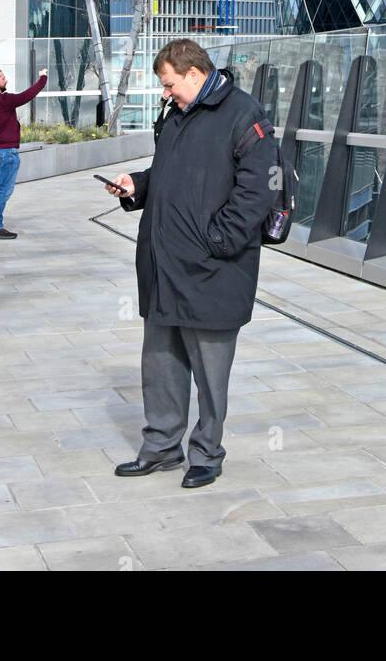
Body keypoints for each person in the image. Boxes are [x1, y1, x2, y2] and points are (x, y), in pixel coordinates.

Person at [106, 38, 277, 489]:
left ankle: (206, 453)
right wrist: (137, 186)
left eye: (169, 84)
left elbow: (258, 192)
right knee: (160, 366)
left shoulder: (244, 115)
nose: (165, 93)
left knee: (210, 373)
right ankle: (161, 448)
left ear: (195, 74)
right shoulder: (177, 115)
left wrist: (214, 241)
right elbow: (171, 174)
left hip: (213, 271)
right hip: (165, 268)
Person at [0, 68, 47, 239]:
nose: (5, 81)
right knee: (3, 191)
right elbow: (27, 95)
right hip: (5, 153)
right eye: (3, 78)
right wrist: (42, 78)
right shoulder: (2, 100)